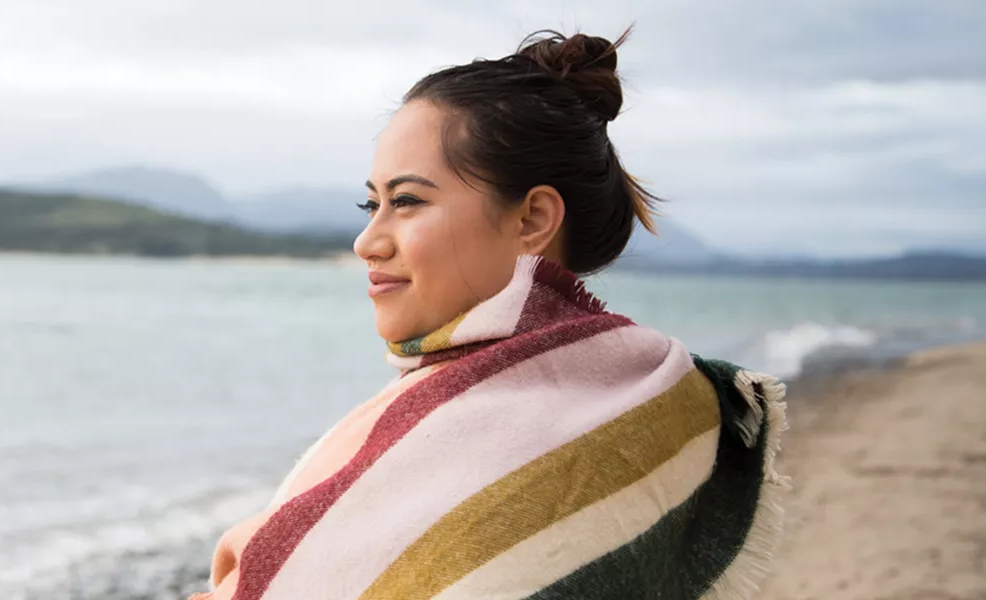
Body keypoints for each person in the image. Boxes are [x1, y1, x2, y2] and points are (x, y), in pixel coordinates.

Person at [191, 28, 787, 600]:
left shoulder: (479, 435)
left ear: (531, 220)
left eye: (406, 201)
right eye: (370, 204)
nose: (367, 241)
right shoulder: (652, 393)